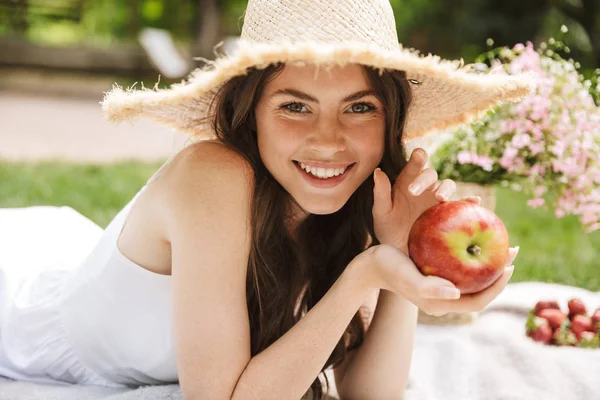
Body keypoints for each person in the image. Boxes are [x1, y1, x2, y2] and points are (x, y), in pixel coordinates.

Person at [0, 0, 531, 399]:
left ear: (390, 119)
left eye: (359, 108)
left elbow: (369, 395)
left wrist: (400, 259)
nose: (328, 139)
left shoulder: (363, 197)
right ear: (248, 112)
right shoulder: (213, 176)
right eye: (296, 107)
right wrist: (364, 275)